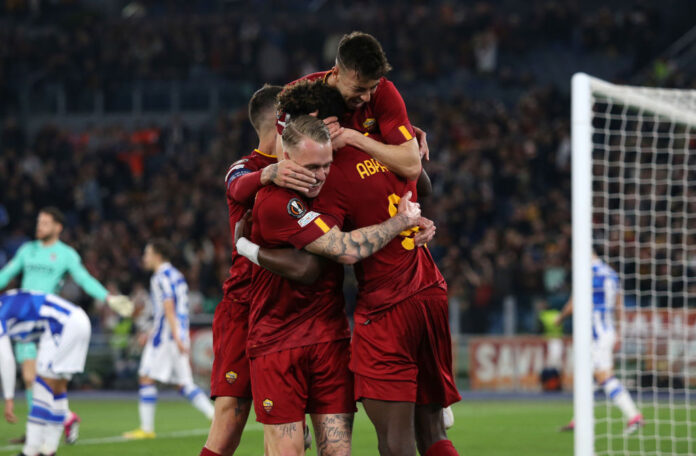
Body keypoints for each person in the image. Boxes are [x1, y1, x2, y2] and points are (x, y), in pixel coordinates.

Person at [239, 82, 460, 456]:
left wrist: (246, 247)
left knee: (395, 441)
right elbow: (419, 179)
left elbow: (322, 261)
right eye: (313, 166)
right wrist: (403, 143)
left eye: (324, 164)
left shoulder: (328, 178)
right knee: (432, 433)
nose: (320, 174)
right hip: (423, 291)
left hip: (370, 317)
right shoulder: (382, 152)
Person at [200, 84, 317, 456]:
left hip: (290, 309)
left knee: (283, 430)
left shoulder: (309, 165)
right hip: (244, 306)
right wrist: (270, 174)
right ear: (282, 119)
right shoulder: (245, 168)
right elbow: (236, 188)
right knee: (230, 418)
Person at [0, 207, 133, 444]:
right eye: (38, 222)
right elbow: (6, 273)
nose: (39, 226)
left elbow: (84, 279)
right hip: (26, 321)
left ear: (58, 227)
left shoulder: (66, 254)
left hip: (50, 322)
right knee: (31, 378)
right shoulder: (27, 250)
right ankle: (53, 423)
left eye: (45, 223)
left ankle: (48, 427)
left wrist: (108, 298)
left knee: (48, 380)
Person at [278, 31, 428, 180]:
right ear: (335, 73)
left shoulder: (384, 92)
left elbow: (412, 167)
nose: (367, 97)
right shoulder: (297, 98)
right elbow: (283, 163)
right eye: (359, 89)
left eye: (373, 87)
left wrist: (352, 137)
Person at [123, 239, 215, 440]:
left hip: (166, 336)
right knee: (184, 384)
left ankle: (146, 429)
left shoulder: (160, 277)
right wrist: (179, 335)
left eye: (147, 254)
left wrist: (170, 335)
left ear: (157, 255)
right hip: (178, 332)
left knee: (146, 377)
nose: (144, 258)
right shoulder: (177, 275)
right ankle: (214, 416)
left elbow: (168, 308)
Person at [556, 251, 644, 433]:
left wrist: (560, 317)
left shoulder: (586, 273)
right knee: (589, 375)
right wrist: (619, 333)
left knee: (604, 376)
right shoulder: (611, 273)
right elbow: (619, 305)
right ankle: (579, 419)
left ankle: (634, 416)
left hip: (596, 333)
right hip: (608, 329)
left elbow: (574, 303)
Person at [0, 290, 91, 456]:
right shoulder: (7, 301)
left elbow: (6, 358)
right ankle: (49, 449)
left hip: (60, 326)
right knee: (57, 388)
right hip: (79, 319)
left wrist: (9, 398)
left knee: (42, 386)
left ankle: (31, 450)